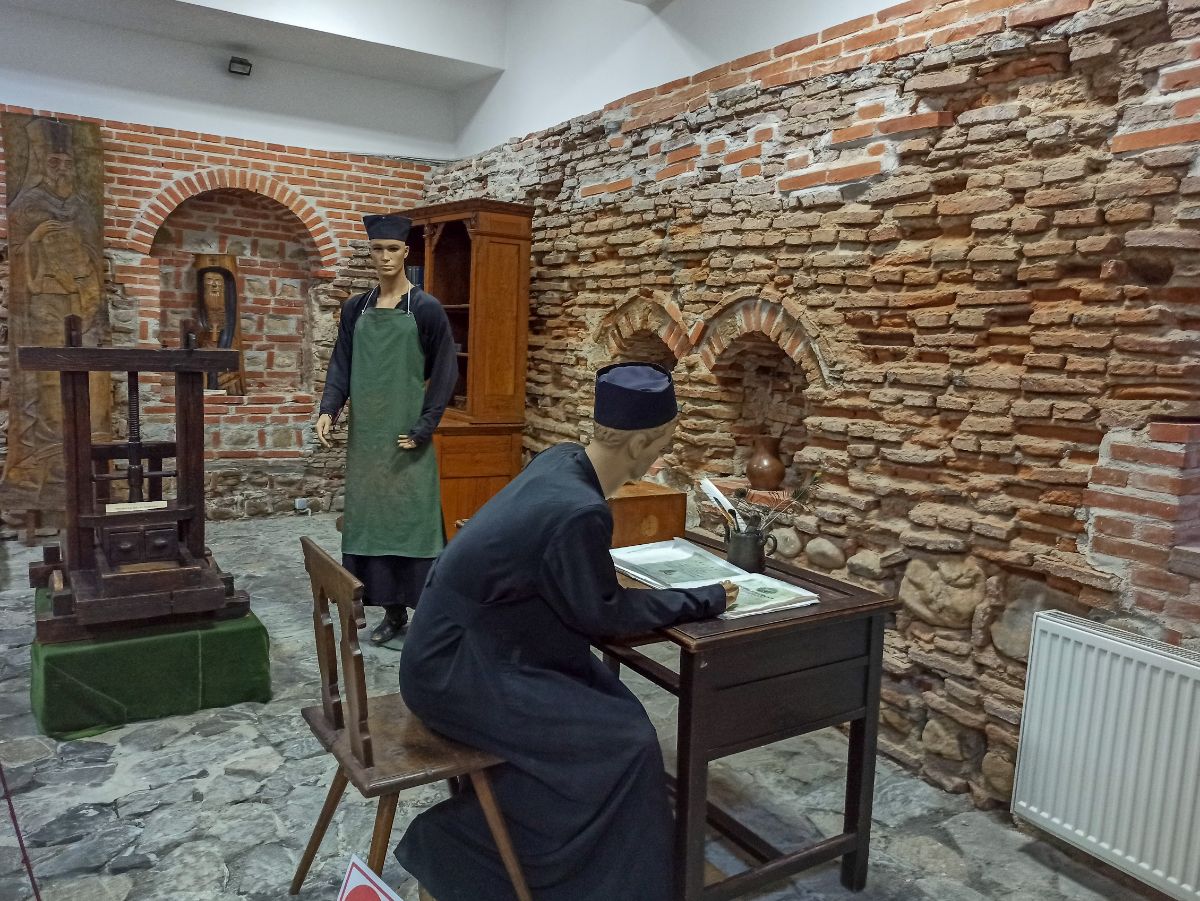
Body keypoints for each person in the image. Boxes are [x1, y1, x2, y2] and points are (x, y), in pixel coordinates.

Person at [395, 361, 739, 901]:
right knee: (624, 741)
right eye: (663, 443)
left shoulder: (560, 460)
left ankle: (626, 865)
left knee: (612, 709)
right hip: (458, 672)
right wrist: (706, 597)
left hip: (467, 646)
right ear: (639, 443)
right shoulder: (580, 510)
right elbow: (603, 615)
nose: (663, 454)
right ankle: (454, 852)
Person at [316, 214, 456, 644]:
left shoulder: (426, 309)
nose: (385, 257)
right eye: (377, 249)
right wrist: (329, 408)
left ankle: (429, 620)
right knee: (371, 524)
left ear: (406, 252)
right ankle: (393, 615)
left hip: (408, 437)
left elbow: (445, 373)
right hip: (368, 441)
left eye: (392, 249)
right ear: (370, 252)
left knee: (414, 523)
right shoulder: (355, 308)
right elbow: (342, 362)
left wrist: (424, 425)